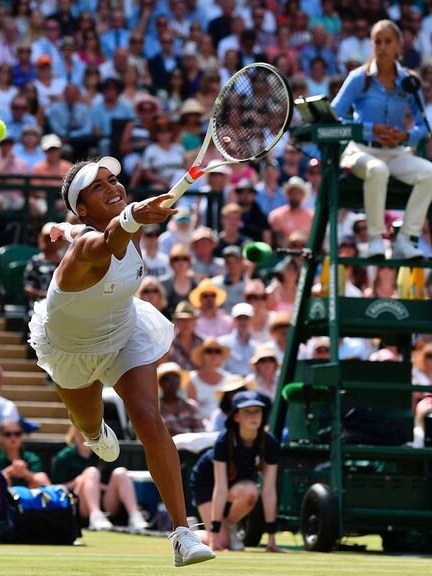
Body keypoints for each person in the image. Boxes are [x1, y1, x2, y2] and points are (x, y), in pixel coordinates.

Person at [29, 157, 214, 565]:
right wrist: (131, 214)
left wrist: (88, 222)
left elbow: (110, 229)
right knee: (91, 426)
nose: (113, 186)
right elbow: (109, 237)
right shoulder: (87, 248)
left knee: (149, 417)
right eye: (99, 187)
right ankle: (94, 433)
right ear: (83, 207)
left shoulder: (93, 228)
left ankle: (183, 534)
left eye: (114, 179)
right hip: (72, 350)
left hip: (125, 330)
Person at [332, 19, 432, 261]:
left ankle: (405, 239)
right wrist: (370, 129)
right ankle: (375, 240)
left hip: (397, 151)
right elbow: (332, 116)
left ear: (399, 45)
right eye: (377, 42)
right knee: (377, 170)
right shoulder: (359, 77)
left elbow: (423, 125)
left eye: (387, 42)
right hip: (360, 151)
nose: (382, 47)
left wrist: (406, 135)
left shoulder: (409, 80)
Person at [190, 391, 281, 552]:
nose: (253, 416)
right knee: (221, 542)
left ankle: (230, 526)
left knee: (251, 492)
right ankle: (188, 533)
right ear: (236, 417)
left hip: (238, 486)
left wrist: (272, 539)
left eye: (257, 411)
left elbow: (268, 491)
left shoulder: (270, 443)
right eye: (247, 411)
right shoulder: (224, 441)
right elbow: (220, 488)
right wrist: (215, 535)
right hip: (207, 483)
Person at [51, 425, 150, 532]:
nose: (85, 435)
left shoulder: (105, 453)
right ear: (74, 432)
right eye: (81, 431)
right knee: (92, 471)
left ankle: (134, 516)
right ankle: (95, 515)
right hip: (78, 504)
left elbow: (111, 485)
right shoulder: (63, 456)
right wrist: (80, 480)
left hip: (107, 504)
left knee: (120, 472)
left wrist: (96, 485)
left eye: (89, 432)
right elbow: (56, 488)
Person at [0, 418, 50, 488]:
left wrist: (25, 474)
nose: (13, 437)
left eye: (17, 434)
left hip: (29, 496)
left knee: (41, 477)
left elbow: (42, 482)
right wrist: (9, 472)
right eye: (8, 434)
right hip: (3, 496)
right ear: (1, 437)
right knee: (4, 478)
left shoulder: (31, 457)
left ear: (22, 436)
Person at [23, 223, 65, 306]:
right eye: (48, 238)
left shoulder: (64, 262)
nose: (53, 242)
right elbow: (27, 287)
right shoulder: (35, 262)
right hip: (38, 305)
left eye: (58, 238)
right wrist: (43, 294)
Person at [156, 362, 204, 436]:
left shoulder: (191, 406)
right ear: (160, 383)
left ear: (179, 383)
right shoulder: (155, 409)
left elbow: (200, 432)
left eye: (175, 379)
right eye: (167, 379)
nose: (172, 383)